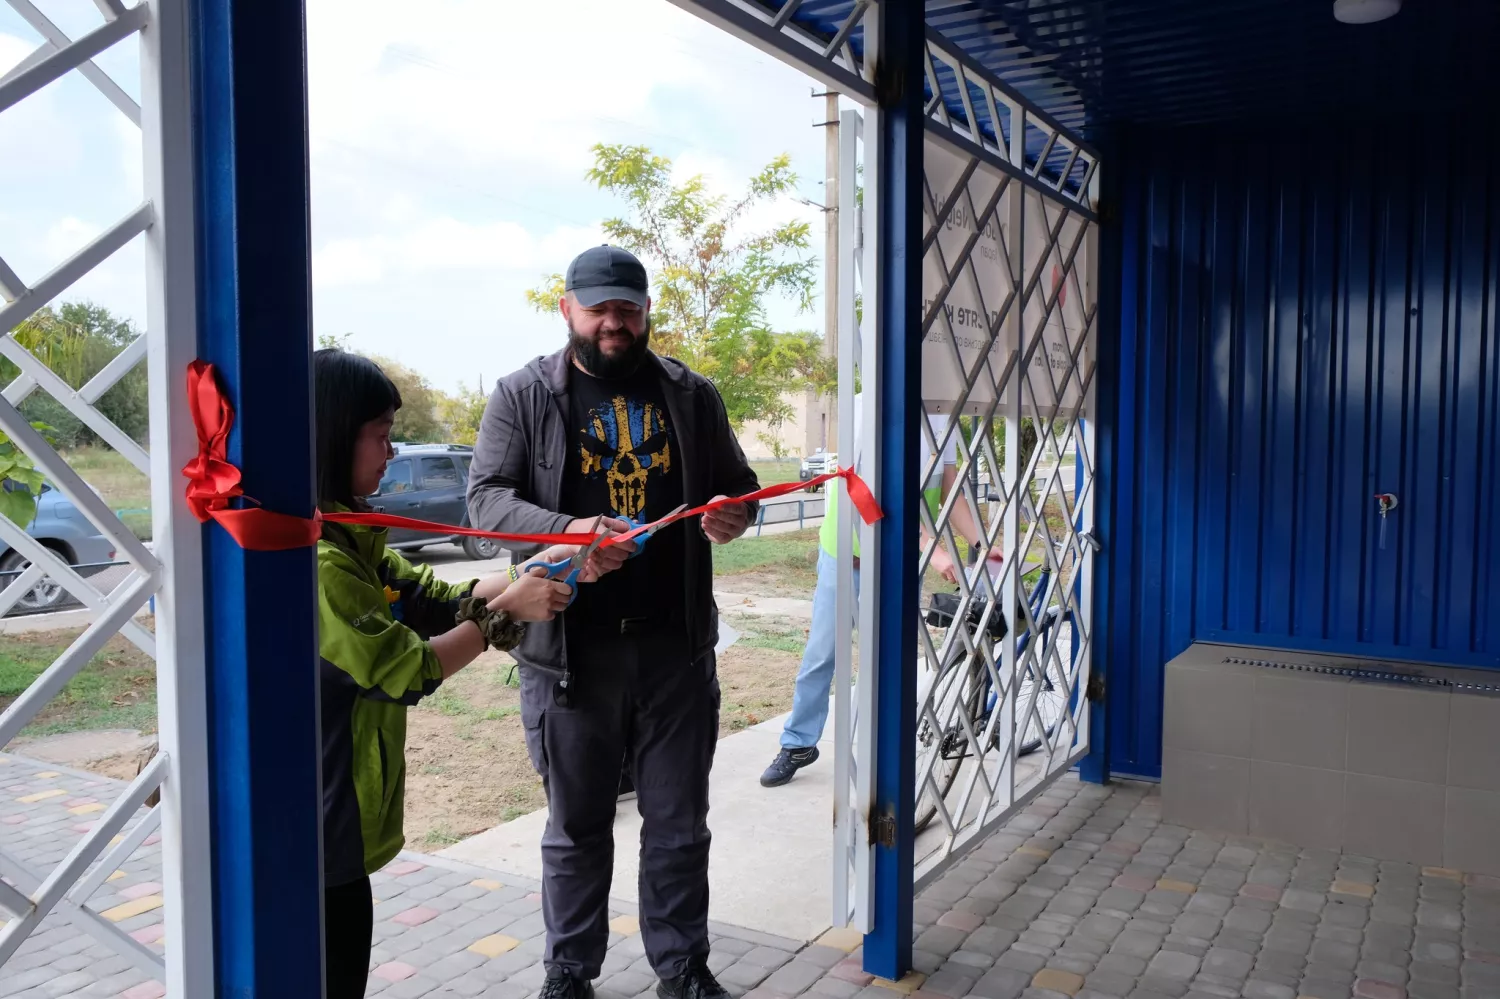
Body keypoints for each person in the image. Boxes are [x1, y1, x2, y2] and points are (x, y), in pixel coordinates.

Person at [467, 245, 759, 999]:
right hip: (570, 656)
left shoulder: (693, 395)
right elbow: (486, 500)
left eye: (627, 307)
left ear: (646, 308)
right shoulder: (523, 394)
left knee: (678, 826)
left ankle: (682, 966)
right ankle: (569, 970)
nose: (613, 322)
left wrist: (736, 513)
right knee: (575, 828)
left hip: (675, 651)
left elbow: (740, 487)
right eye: (598, 307)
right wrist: (570, 532)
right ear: (567, 307)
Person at [313, 349, 598, 999]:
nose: (391, 451)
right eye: (380, 435)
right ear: (331, 436)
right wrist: (507, 612)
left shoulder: (348, 537)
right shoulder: (322, 566)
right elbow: (407, 670)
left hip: (338, 826)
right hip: (319, 827)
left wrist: (550, 564)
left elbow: (429, 598)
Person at [760, 402, 987, 787]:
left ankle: (871, 751)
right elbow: (862, 490)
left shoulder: (941, 415)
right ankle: (798, 743)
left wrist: (981, 543)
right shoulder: (866, 404)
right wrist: (928, 541)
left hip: (894, 562)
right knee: (822, 654)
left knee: (883, 661)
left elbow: (950, 488)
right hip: (844, 554)